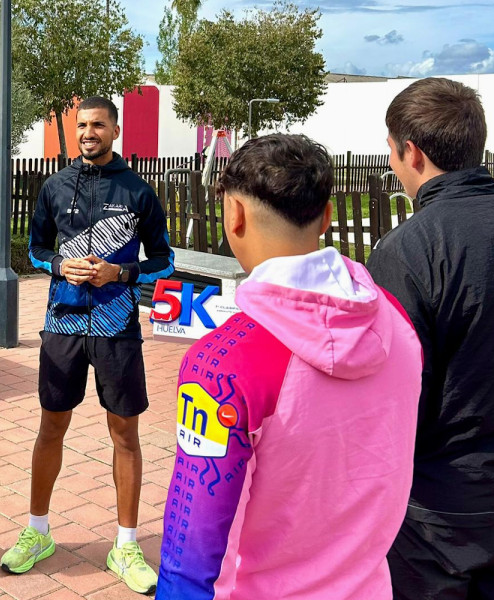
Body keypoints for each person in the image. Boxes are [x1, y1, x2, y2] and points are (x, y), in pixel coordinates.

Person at [157, 134, 422, 599]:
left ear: (233, 215)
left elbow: (192, 547)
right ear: (326, 216)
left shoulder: (222, 364)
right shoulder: (397, 322)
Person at [0, 96, 174, 595]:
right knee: (50, 425)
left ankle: (125, 543)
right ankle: (37, 532)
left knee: (125, 434)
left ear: (115, 130)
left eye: (98, 124)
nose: (88, 132)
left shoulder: (139, 191)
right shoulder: (53, 187)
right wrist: (59, 266)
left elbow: (164, 260)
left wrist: (122, 272)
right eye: (81, 125)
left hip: (118, 328)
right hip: (62, 325)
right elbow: (35, 249)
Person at [366, 77, 494, 599]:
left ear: (411, 152)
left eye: (392, 152)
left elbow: (391, 395)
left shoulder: (408, 250)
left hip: (443, 511)